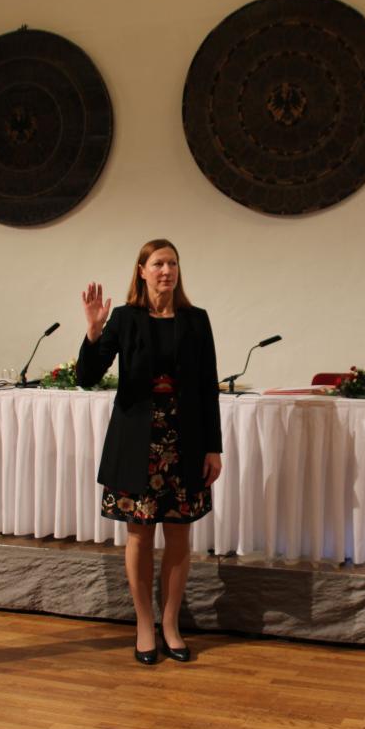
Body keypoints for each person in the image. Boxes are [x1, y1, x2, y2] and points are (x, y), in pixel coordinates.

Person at [77, 239, 222, 665]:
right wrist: (93, 330)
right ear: (141, 270)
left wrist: (213, 447)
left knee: (179, 534)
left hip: (184, 441)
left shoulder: (197, 321)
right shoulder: (125, 318)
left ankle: (172, 624)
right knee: (139, 534)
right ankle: (144, 625)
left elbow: (207, 388)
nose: (166, 271)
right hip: (137, 442)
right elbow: (87, 377)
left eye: (172, 263)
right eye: (158, 263)